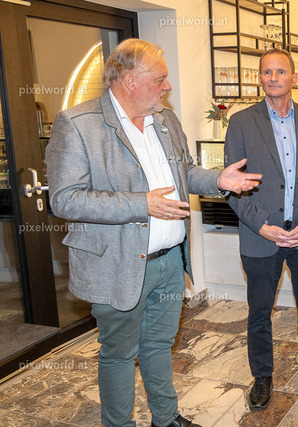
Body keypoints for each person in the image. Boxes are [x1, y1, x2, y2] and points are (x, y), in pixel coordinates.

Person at [46, 38, 261, 427]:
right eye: (160, 79)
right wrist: (140, 203)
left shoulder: (166, 119)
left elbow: (185, 172)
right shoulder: (78, 124)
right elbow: (65, 200)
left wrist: (219, 180)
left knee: (160, 345)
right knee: (119, 354)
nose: (168, 86)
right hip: (117, 264)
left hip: (169, 261)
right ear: (129, 80)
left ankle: (165, 418)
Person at [224, 48, 298, 410]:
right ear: (260, 78)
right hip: (260, 238)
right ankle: (262, 377)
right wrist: (264, 226)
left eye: (281, 71)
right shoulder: (241, 123)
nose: (273, 78)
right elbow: (231, 186)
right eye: (266, 72)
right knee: (260, 313)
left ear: (294, 78)